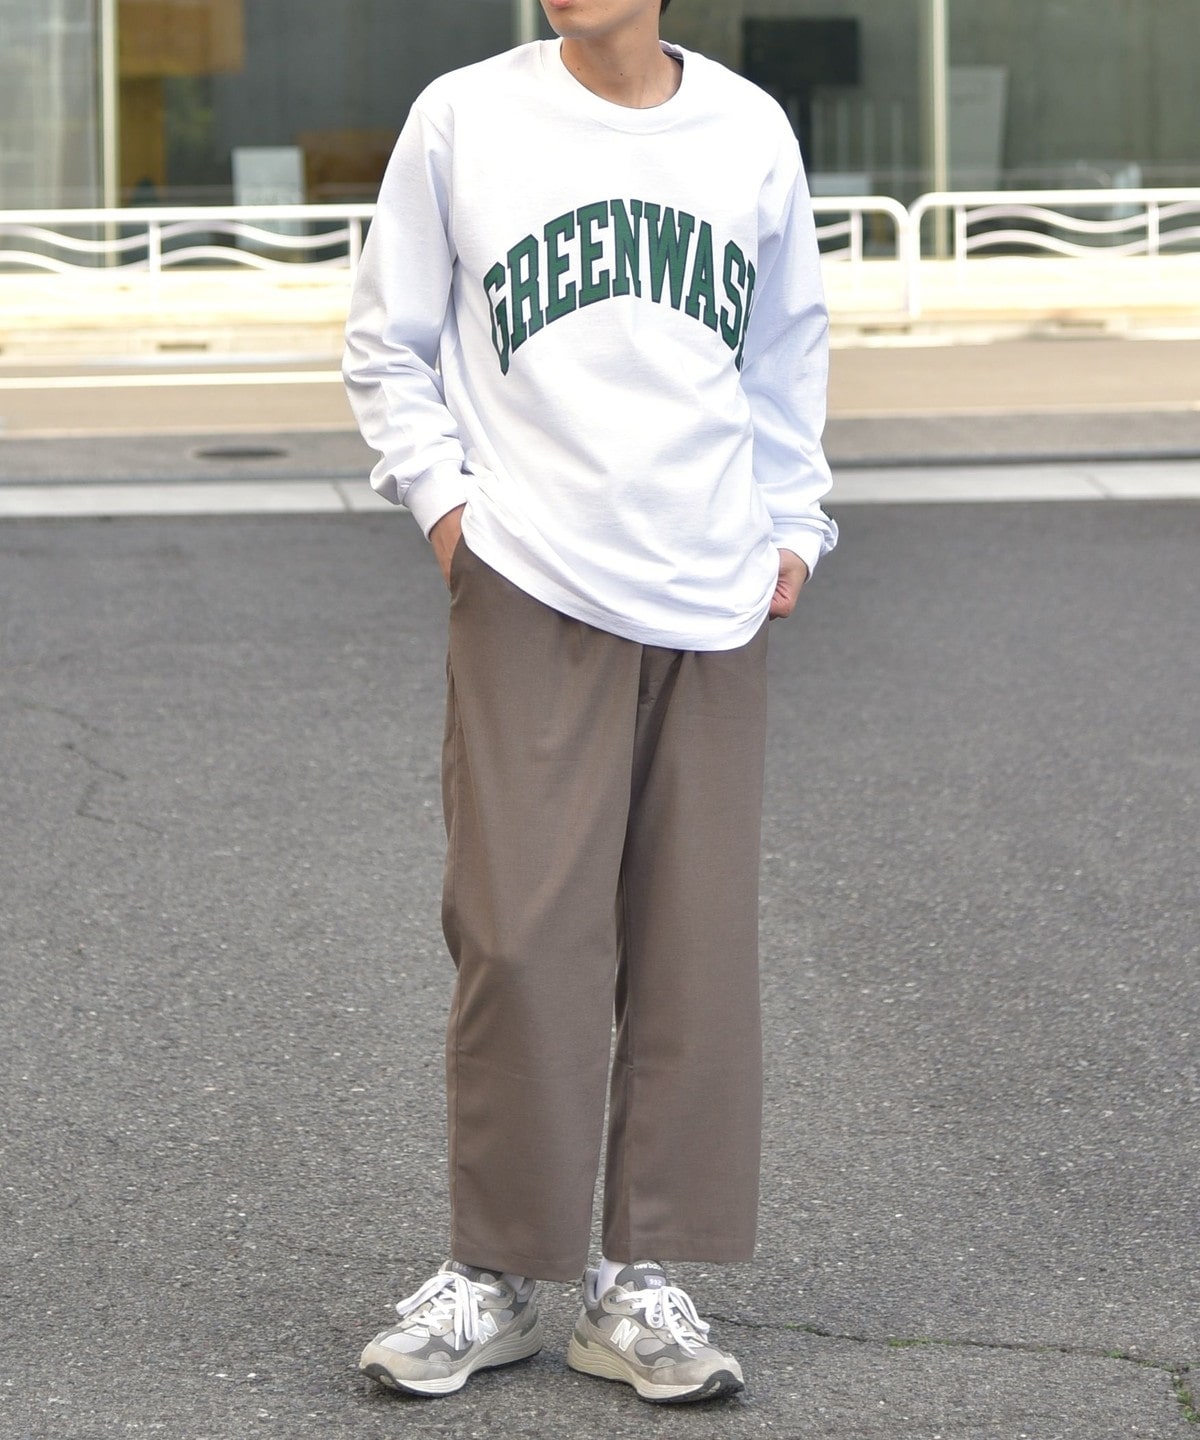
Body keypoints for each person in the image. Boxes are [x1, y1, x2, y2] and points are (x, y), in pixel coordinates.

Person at [343, 0, 837, 1405]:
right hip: (531, 572)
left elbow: (785, 350)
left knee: (691, 948)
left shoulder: (745, 128)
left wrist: (793, 524)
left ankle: (639, 1282)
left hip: (709, 587)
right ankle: (495, 1273)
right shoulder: (466, 115)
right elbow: (388, 340)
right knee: (514, 934)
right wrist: (450, 516)